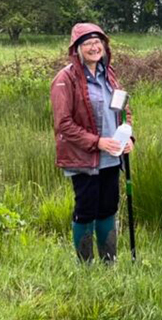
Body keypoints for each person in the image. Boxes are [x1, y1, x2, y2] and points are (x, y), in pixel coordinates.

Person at [51, 22, 133, 263]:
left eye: (98, 42)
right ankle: (85, 265)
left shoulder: (110, 75)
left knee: (108, 208)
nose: (94, 47)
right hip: (83, 158)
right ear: (76, 48)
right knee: (86, 210)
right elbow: (63, 124)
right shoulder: (65, 79)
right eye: (87, 43)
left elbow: (125, 111)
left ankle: (109, 262)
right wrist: (97, 142)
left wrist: (129, 138)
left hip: (112, 156)